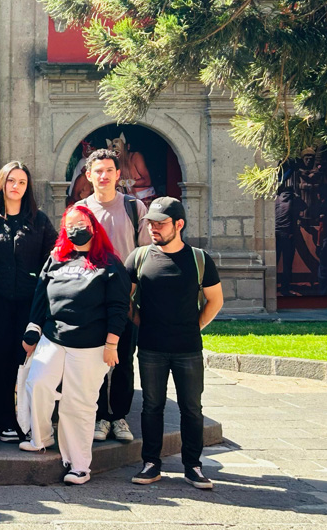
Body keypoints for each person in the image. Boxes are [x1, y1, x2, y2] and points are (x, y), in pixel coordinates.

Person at [20, 205, 130, 486]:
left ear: (92, 225)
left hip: (91, 345)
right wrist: (33, 330)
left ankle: (78, 464)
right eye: (69, 224)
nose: (75, 229)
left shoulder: (109, 263)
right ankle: (41, 437)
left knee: (77, 404)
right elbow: (40, 295)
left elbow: (119, 307)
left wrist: (112, 343)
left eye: (80, 222)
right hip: (53, 337)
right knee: (38, 382)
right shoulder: (56, 258)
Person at [126, 197, 223, 489]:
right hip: (151, 347)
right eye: (151, 223)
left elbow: (215, 300)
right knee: (151, 407)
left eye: (161, 223)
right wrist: (143, 323)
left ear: (178, 224)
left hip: (188, 348)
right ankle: (151, 463)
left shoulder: (199, 259)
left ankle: (193, 465)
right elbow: (126, 300)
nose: (154, 228)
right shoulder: (139, 257)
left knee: (191, 408)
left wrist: (195, 325)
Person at [76, 148, 152, 444]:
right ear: (88, 175)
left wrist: (134, 290)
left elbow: (146, 254)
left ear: (118, 174)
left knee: (123, 358)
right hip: (90, 300)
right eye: (98, 171)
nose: (104, 176)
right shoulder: (80, 211)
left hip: (126, 299)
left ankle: (118, 416)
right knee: (92, 360)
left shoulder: (135, 208)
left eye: (109, 170)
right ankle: (97, 417)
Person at [0, 161, 57, 442]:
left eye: (22, 182)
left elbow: (53, 262)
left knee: (27, 361)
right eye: (11, 180)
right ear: (2, 183)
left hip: (30, 303)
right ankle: (4, 421)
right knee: (0, 360)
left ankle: (29, 419)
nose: (16, 186)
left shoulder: (40, 221)